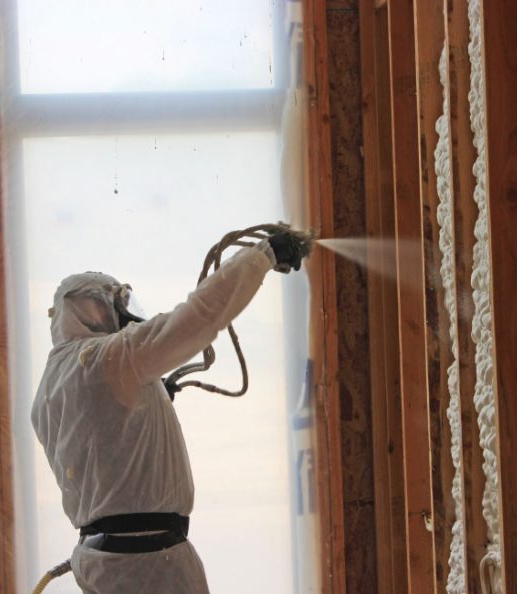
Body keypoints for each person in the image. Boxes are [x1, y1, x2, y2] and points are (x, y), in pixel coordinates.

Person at [31, 230, 309, 594]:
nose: (127, 316)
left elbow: (100, 444)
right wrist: (263, 255)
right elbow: (198, 317)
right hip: (148, 563)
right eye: (119, 304)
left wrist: (144, 403)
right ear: (95, 310)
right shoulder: (105, 360)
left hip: (105, 560)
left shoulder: (52, 386)